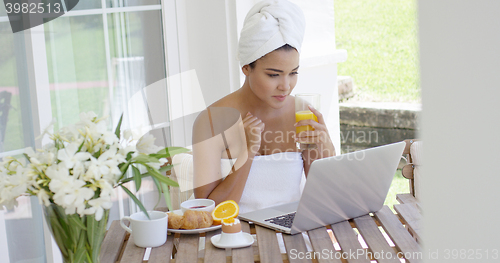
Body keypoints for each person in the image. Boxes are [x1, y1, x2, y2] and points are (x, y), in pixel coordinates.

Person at [192, 0, 335, 214]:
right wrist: (248, 152)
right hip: (231, 237)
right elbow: (207, 212)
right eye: (273, 75)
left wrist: (326, 149)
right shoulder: (212, 121)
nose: (285, 86)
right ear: (246, 68)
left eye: (293, 73)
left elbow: (328, 201)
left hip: (291, 234)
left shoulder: (302, 113)